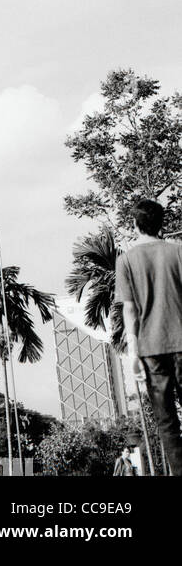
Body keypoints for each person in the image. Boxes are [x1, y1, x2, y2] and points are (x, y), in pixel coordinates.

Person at [115, 196, 182, 475]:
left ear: (135, 224)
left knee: (166, 421)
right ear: (161, 224)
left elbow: (129, 309)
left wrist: (133, 353)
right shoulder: (178, 252)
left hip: (150, 349)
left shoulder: (126, 260)